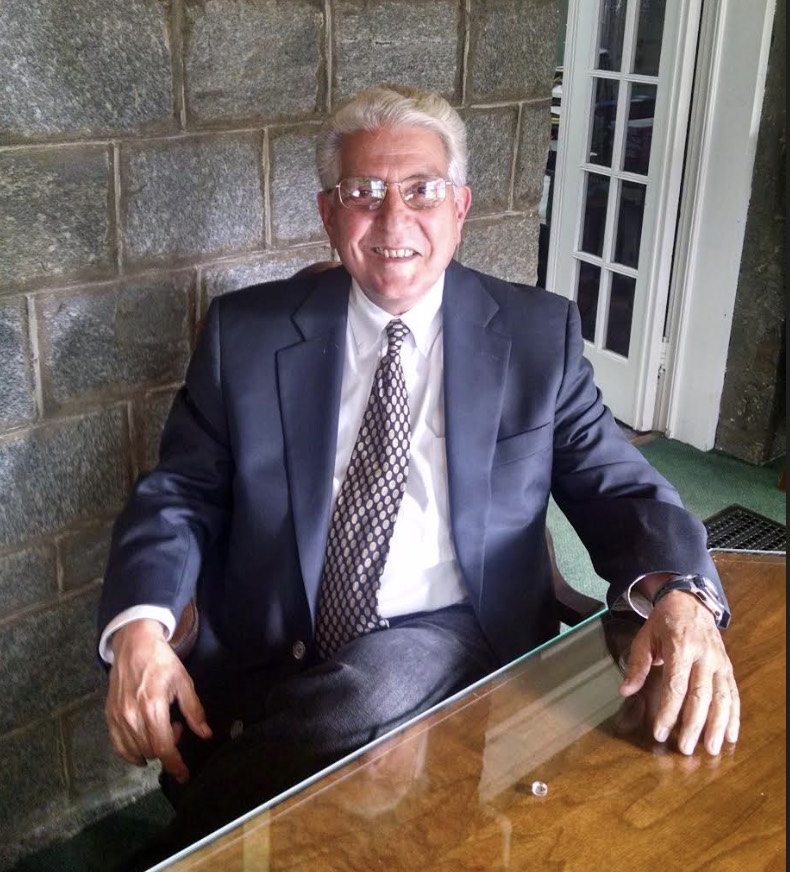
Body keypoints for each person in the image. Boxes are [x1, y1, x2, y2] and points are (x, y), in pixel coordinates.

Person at [98, 84, 739, 856]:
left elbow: (618, 484)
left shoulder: (536, 337)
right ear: (329, 214)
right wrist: (139, 628)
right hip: (268, 638)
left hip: (446, 626)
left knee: (365, 698)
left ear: (460, 207)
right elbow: (180, 492)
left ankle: (180, 849)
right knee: (343, 747)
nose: (393, 220)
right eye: (363, 193)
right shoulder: (247, 333)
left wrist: (683, 593)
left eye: (423, 190)